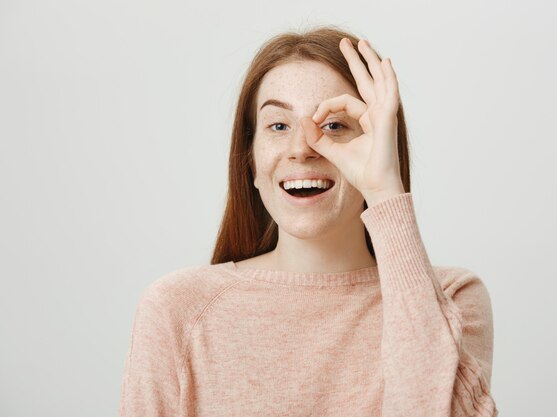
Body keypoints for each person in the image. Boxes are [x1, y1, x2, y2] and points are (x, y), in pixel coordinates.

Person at [119, 25, 498, 416]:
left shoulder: (451, 298)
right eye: (278, 126)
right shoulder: (177, 309)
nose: (302, 149)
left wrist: (384, 189)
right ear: (249, 159)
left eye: (334, 125)